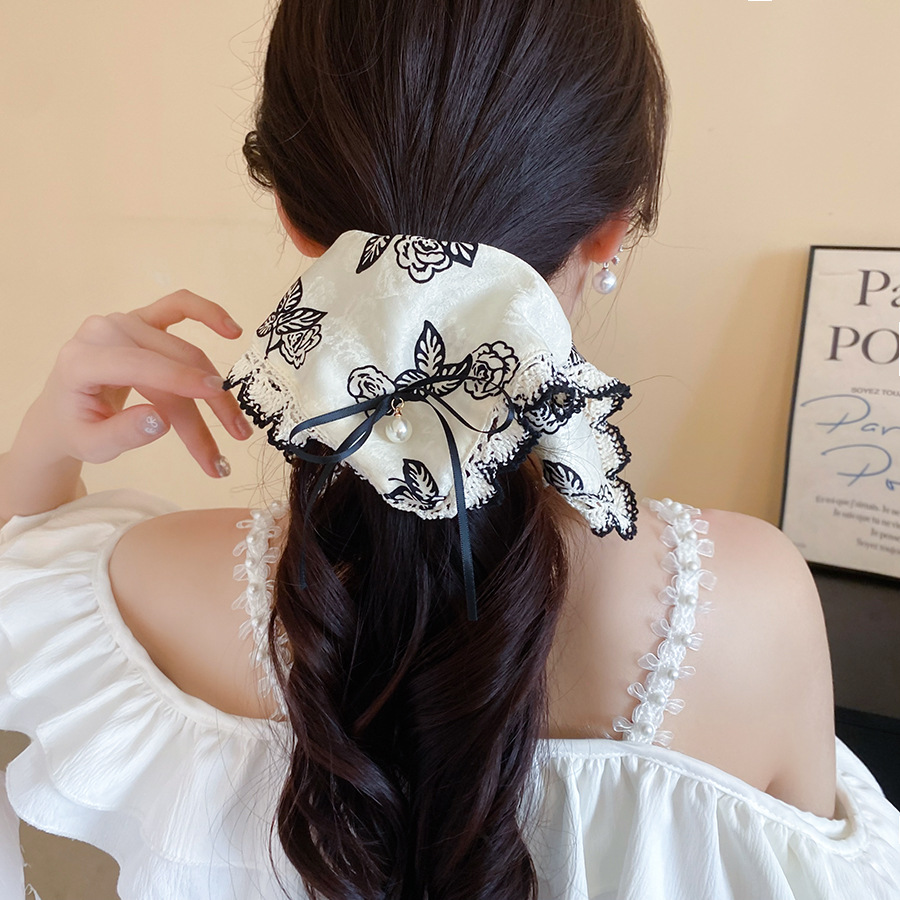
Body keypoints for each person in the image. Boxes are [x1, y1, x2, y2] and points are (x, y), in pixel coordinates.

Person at [0, 1, 898, 898]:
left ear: (295, 219)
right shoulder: (755, 608)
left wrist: (44, 444)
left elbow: (18, 591)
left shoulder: (152, 588)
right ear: (612, 228)